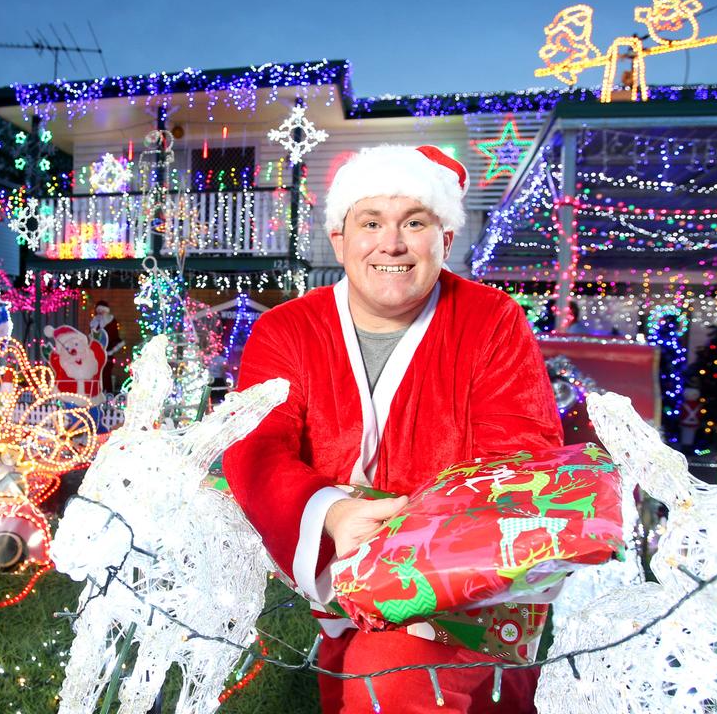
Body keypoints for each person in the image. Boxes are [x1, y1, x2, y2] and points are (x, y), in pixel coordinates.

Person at [222, 145, 562, 713]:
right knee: (349, 685)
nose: (392, 244)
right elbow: (255, 443)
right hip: (339, 571)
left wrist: (412, 538)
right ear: (339, 238)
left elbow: (520, 454)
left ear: (445, 238)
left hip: (456, 581)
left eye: (415, 222)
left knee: (390, 684)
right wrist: (328, 511)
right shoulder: (286, 330)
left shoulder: (492, 318)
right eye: (371, 222)